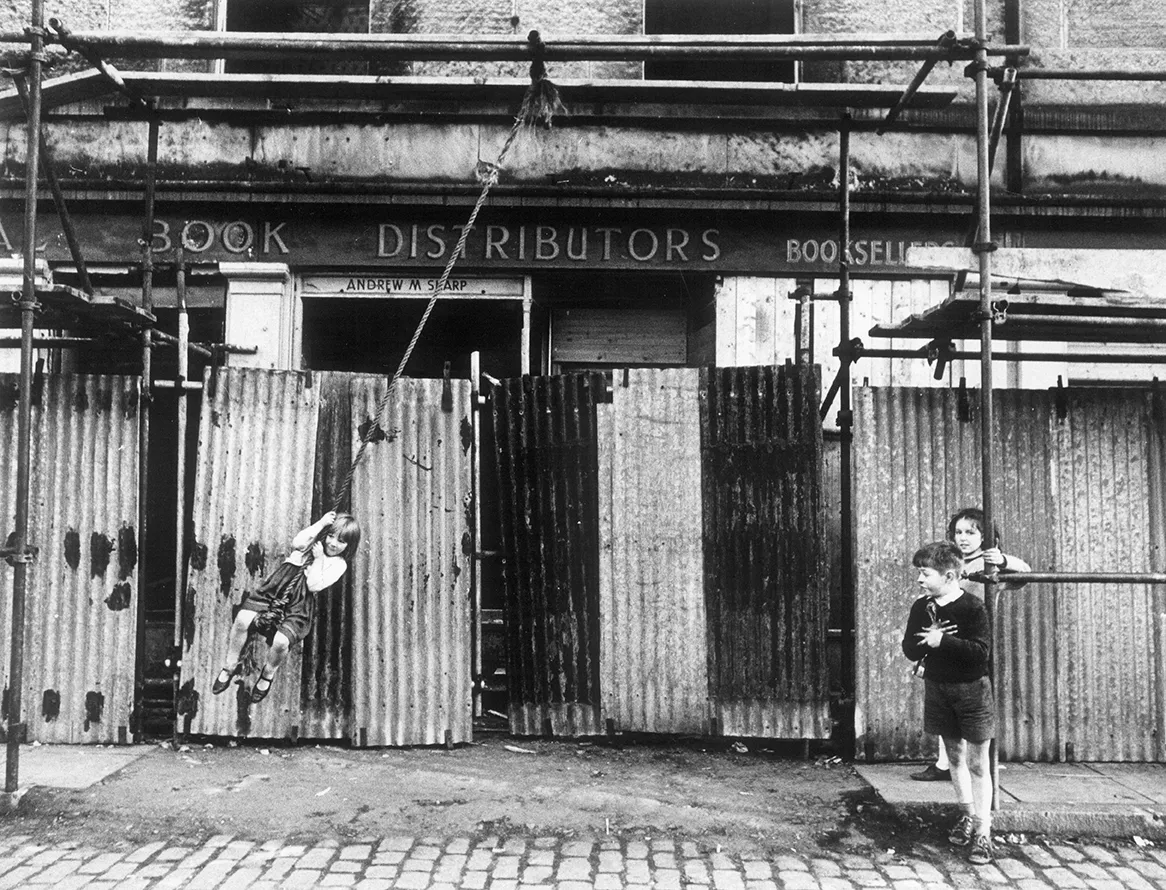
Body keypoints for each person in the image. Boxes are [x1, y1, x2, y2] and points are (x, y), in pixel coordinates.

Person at [912, 507, 1031, 783]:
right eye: (958, 532)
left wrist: (1000, 559)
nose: (963, 538)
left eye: (971, 532)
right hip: (944, 639)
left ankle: (978, 767)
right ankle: (945, 763)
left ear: (986, 536)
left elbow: (1024, 573)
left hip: (972, 642)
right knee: (943, 700)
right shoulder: (949, 562)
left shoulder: (989, 565)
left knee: (974, 703)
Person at [902, 540, 997, 865]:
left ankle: (984, 832)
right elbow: (910, 650)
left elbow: (981, 653)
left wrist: (944, 640)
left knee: (977, 764)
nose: (919, 580)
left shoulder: (972, 607)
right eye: (919, 573)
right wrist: (925, 641)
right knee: (954, 759)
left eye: (925, 574)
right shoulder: (921, 607)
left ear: (950, 576)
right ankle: (966, 816)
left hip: (972, 692)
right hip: (939, 689)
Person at [211, 510, 361, 703]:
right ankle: (230, 665)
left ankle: (268, 673)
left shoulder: (339, 564)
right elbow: (297, 543)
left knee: (282, 642)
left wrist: (320, 559)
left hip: (300, 600)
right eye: (331, 536)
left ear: (349, 545)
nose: (332, 543)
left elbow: (313, 585)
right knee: (242, 620)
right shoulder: (315, 541)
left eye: (340, 541)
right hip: (278, 586)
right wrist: (321, 524)